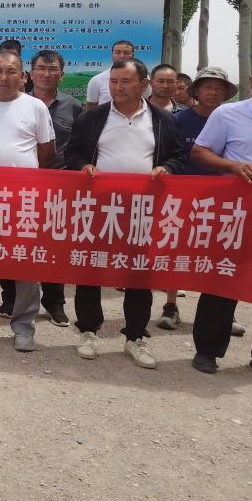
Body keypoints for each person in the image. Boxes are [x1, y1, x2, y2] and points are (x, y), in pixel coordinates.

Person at [66, 58, 187, 368]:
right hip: (99, 208)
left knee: (138, 272)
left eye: (125, 82)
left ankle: (135, 335)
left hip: (143, 210)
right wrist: (83, 166)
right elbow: (73, 153)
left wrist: (167, 168)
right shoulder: (92, 118)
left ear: (143, 85)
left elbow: (178, 156)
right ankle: (88, 331)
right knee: (91, 268)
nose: (118, 88)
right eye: (114, 82)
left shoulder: (163, 120)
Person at [0, 51, 55, 352]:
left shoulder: (35, 107)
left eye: (11, 71)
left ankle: (24, 325)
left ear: (23, 76)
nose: (4, 77)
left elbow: (46, 152)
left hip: (23, 199)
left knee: (25, 262)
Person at [188, 56, 252, 379]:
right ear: (250, 81)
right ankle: (208, 349)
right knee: (224, 276)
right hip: (239, 212)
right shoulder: (228, 114)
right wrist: (232, 166)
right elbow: (200, 151)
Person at [0, 50, 82, 326]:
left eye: (53, 69)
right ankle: (10, 297)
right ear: (30, 74)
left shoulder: (73, 106)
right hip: (18, 187)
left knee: (53, 245)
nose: (46, 74)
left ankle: (55, 303)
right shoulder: (14, 102)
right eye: (41, 68)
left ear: (61, 74)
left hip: (57, 186)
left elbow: (75, 147)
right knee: (13, 243)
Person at [156, 67, 240, 331]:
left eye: (218, 88)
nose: (213, 92)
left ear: (226, 93)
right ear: (197, 91)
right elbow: (169, 154)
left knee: (221, 253)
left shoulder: (234, 119)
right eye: (207, 87)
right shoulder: (179, 120)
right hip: (184, 196)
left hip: (225, 198)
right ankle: (170, 306)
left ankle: (224, 313)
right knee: (176, 250)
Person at [85, 40, 136, 108]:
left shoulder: (142, 77)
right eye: (118, 52)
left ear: (133, 56)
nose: (122, 56)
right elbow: (91, 109)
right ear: (112, 55)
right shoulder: (96, 80)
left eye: (126, 53)